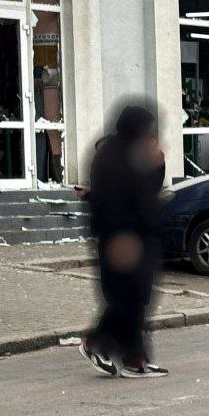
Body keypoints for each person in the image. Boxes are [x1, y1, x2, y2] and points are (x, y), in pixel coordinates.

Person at [79, 102, 169, 378]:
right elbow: (122, 197)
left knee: (137, 299)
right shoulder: (114, 156)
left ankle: (134, 359)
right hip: (122, 241)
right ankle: (95, 341)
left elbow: (147, 189)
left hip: (134, 237)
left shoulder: (127, 153)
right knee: (126, 299)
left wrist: (158, 163)